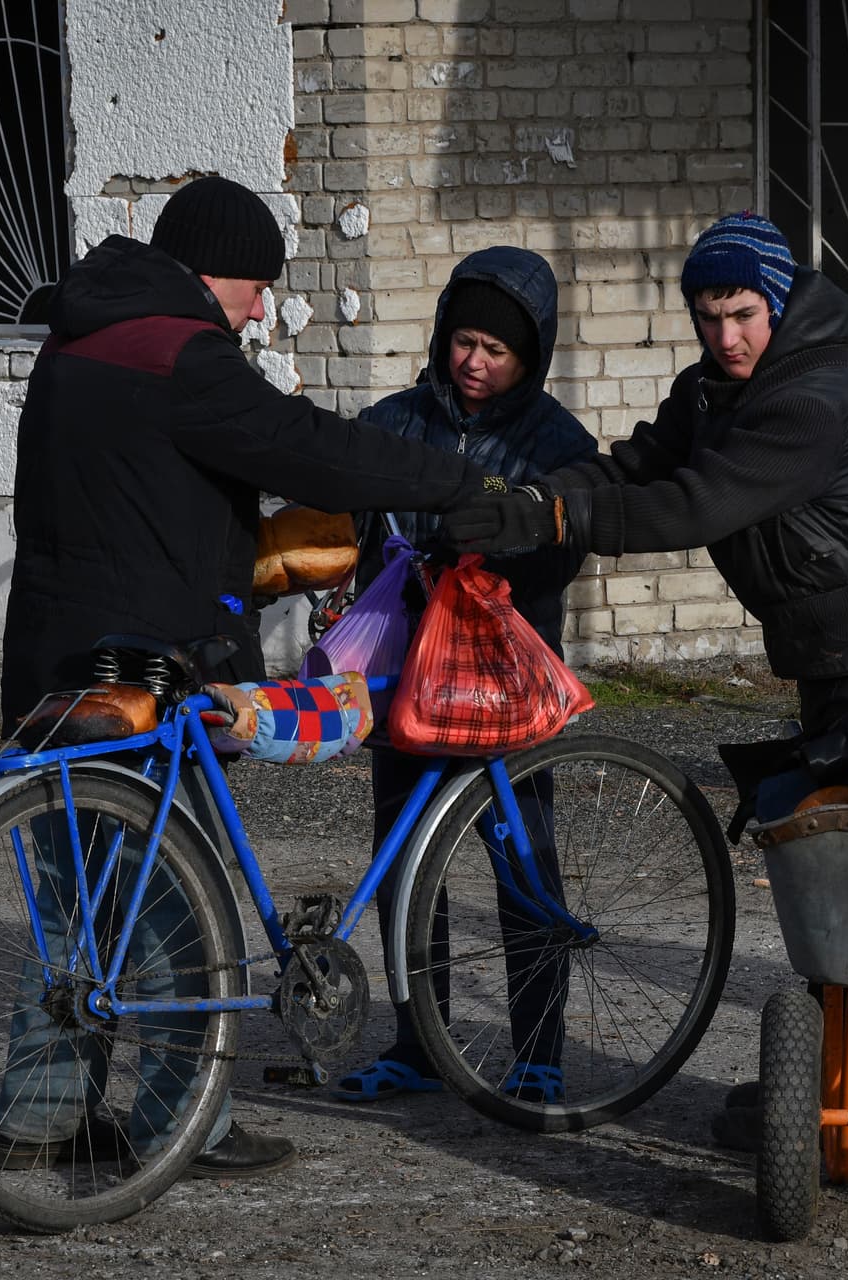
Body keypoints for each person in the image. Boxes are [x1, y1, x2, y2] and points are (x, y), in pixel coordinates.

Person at [0, 174, 507, 1180]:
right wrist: (458, 480)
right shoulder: (182, 352)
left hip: (47, 656)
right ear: (208, 269)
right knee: (177, 898)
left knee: (76, 899)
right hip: (137, 667)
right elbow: (305, 447)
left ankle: (37, 1116)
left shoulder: (77, 338)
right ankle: (184, 1121)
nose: (261, 306)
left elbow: (141, 490)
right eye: (255, 283)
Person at [443, 212, 848, 1150]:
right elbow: (641, 461)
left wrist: (554, 521)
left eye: (743, 314)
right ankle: (839, 1088)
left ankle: (846, 1100)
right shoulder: (715, 387)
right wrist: (533, 495)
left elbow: (695, 501)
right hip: (824, 647)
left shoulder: (812, 399)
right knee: (833, 860)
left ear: (781, 302)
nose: (726, 337)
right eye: (708, 317)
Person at [327, 246, 597, 1105]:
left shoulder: (558, 444)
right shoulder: (394, 422)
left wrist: (492, 542)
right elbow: (351, 533)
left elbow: (563, 558)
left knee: (524, 866)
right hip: (405, 683)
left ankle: (540, 1053)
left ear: (531, 358)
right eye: (463, 341)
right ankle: (418, 1046)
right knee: (405, 862)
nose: (475, 363)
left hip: (504, 690)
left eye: (498, 350)